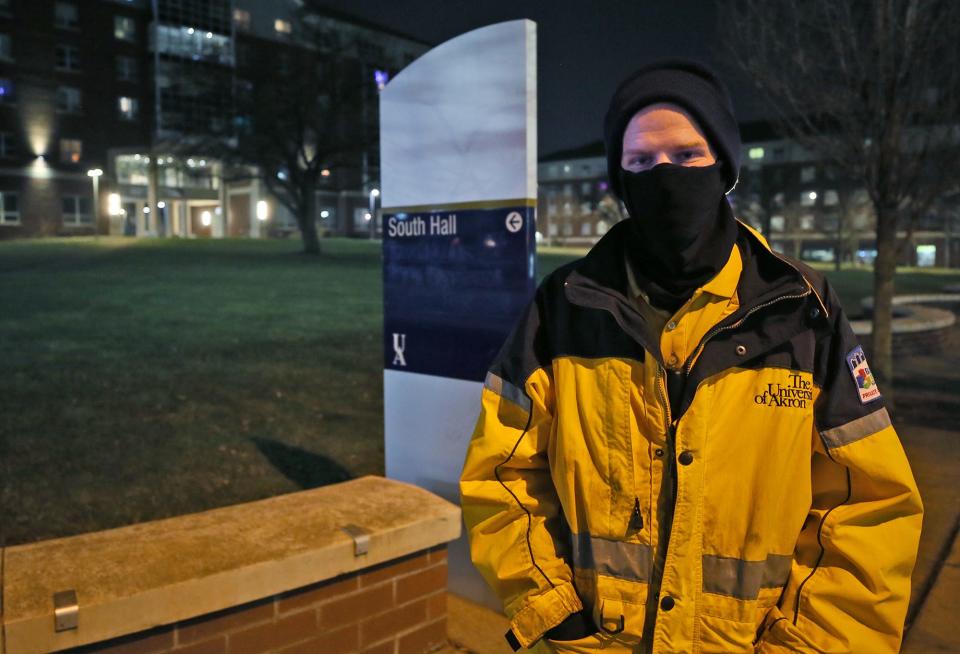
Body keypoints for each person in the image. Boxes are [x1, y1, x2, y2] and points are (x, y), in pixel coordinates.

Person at [459, 59, 923, 654]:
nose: (665, 178)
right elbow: (500, 477)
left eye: (686, 156)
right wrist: (550, 607)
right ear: (620, 179)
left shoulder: (800, 310)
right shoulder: (566, 307)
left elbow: (869, 507)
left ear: (724, 167)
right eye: (641, 163)